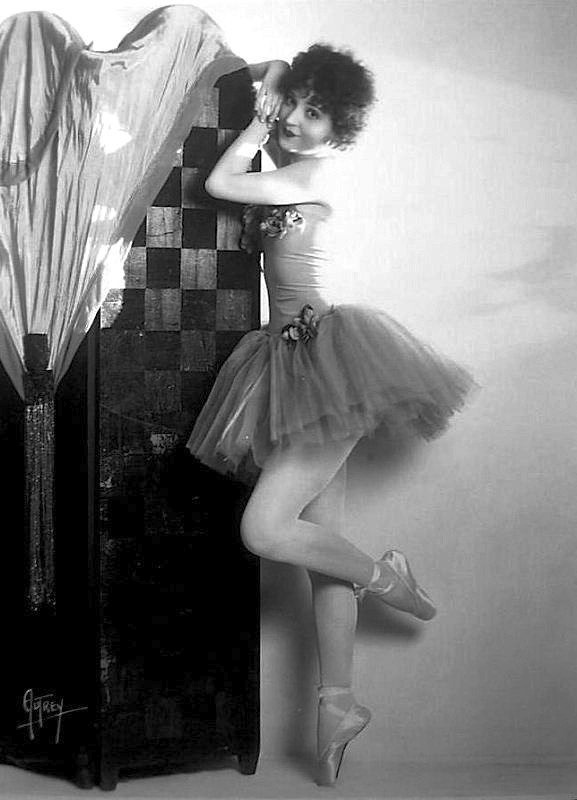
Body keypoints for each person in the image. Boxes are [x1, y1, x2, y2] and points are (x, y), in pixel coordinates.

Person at [186, 45, 475, 787]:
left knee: (264, 530)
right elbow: (272, 65)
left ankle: (388, 579)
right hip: (286, 361)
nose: (296, 119)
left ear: (338, 130)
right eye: (295, 105)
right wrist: (281, 85)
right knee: (321, 549)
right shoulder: (287, 161)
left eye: (315, 114)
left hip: (325, 363)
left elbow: (220, 180)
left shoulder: (306, 174)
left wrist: (262, 120)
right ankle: (338, 702)